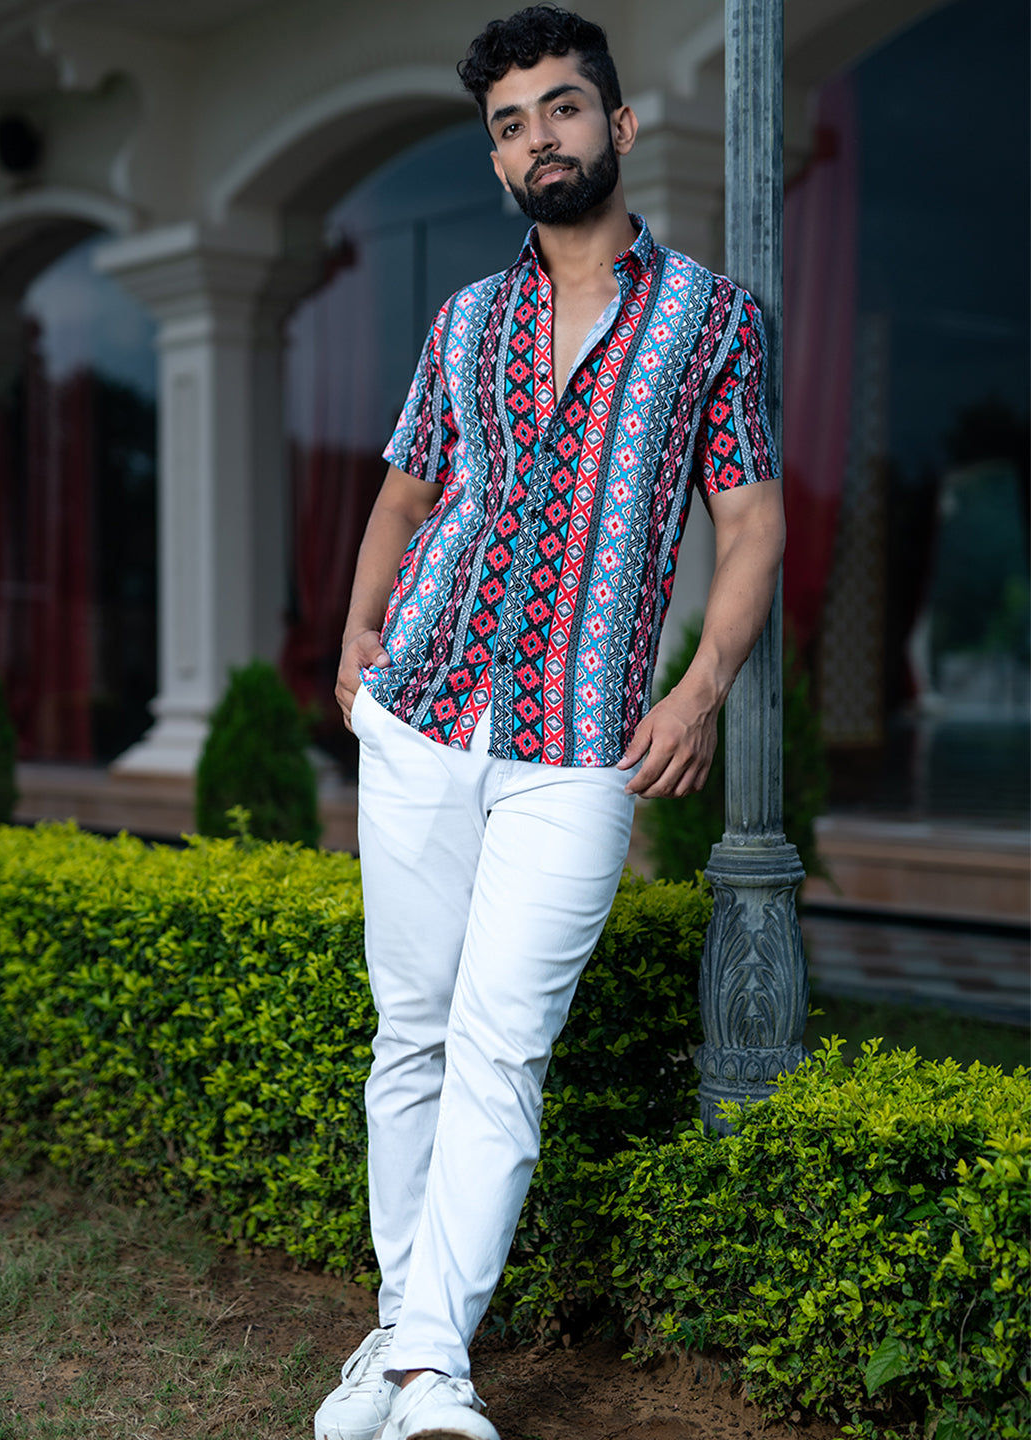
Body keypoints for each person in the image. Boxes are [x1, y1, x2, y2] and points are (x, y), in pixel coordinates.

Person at [316, 7, 785, 1438]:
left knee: (502, 1044)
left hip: (578, 742)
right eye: (511, 125)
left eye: (563, 109)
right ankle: (413, 1349)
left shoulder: (712, 319)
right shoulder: (466, 320)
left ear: (618, 125)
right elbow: (405, 490)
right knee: (411, 1037)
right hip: (422, 712)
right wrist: (357, 635)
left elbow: (752, 524)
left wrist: (700, 688)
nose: (541, 140)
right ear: (498, 159)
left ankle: (422, 1364)